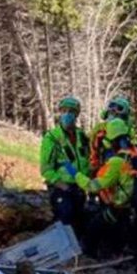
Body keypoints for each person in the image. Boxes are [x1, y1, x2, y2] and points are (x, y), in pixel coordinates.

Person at [86, 117, 137, 266]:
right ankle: (122, 255)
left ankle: (99, 258)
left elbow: (97, 184)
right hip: (130, 203)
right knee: (122, 231)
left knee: (96, 228)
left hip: (118, 204)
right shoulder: (136, 152)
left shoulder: (116, 159)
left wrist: (77, 176)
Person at [39, 96, 92, 237]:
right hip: (61, 188)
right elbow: (46, 168)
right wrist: (61, 184)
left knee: (80, 222)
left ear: (76, 115)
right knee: (65, 217)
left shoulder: (82, 136)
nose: (68, 114)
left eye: (72, 111)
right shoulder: (52, 138)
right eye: (65, 111)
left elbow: (87, 160)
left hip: (80, 188)